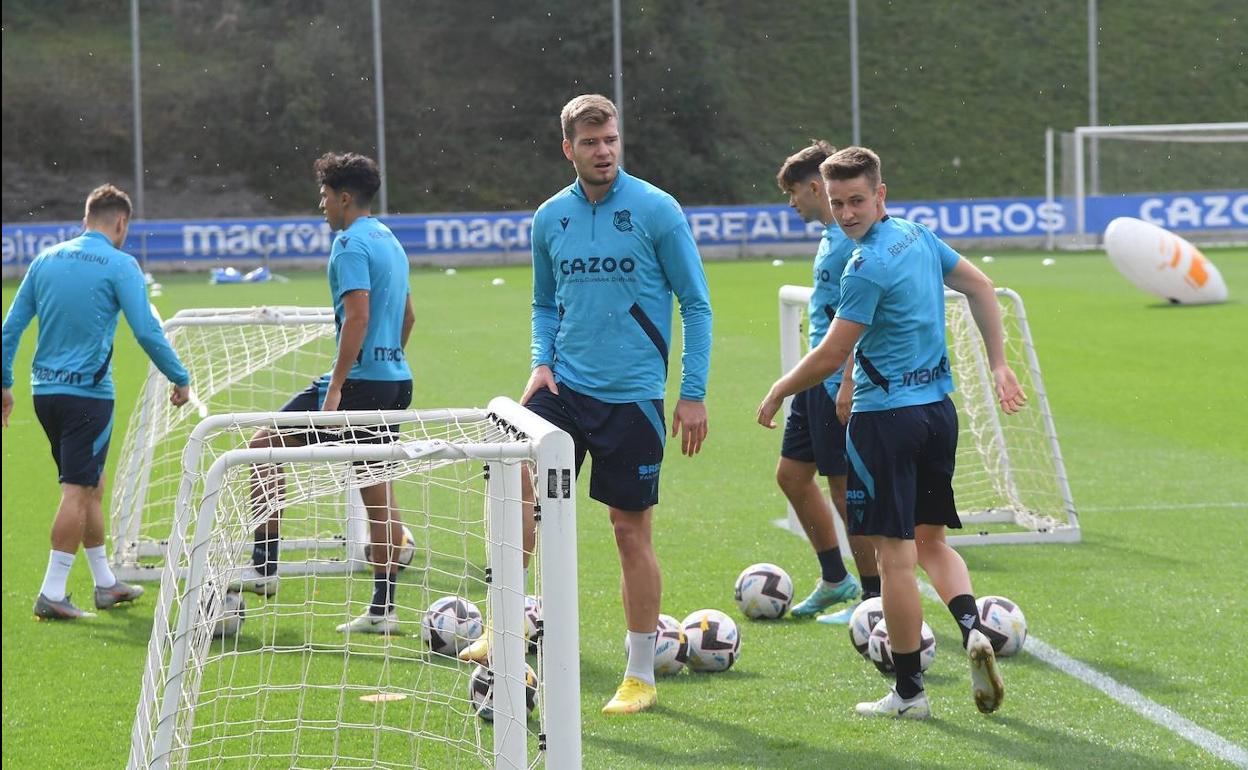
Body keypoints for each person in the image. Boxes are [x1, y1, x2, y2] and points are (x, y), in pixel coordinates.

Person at [462, 94, 712, 716]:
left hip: (634, 400)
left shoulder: (656, 209)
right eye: (591, 143)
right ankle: (505, 625)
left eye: (611, 141)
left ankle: (637, 673)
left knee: (629, 530)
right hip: (563, 389)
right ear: (568, 148)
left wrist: (694, 392)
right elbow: (544, 302)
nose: (603, 152)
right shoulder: (551, 217)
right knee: (517, 487)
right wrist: (540, 360)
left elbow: (696, 304)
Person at [757, 146, 1025, 719]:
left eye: (857, 200)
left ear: (880, 195)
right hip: (937, 413)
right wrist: (998, 362)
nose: (847, 213)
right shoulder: (917, 236)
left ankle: (909, 694)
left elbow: (831, 354)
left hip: (885, 423)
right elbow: (981, 286)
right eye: (838, 203)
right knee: (934, 543)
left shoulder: (863, 266)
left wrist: (780, 388)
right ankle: (973, 627)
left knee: (896, 559)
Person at [233, 152, 416, 635]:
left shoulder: (350, 244)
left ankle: (265, 566)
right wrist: (386, 362)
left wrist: (337, 386)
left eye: (324, 195)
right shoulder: (389, 240)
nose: (321, 205)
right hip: (396, 379)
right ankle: (383, 608)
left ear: (345, 197)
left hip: (356, 384)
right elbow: (408, 317)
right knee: (376, 486)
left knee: (263, 446)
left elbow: (357, 315)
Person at [2, 184, 191, 620]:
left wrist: (4, 383)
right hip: (88, 396)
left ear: (85, 218)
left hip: (44, 393)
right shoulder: (121, 264)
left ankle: (105, 582)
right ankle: (52, 592)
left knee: (91, 484)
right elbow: (145, 330)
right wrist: (179, 376)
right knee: (77, 488)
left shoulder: (46, 259)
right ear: (121, 222)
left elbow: (11, 327)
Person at [772, 141, 879, 624]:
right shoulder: (829, 237)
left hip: (840, 382)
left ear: (814, 187)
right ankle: (836, 579)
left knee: (845, 491)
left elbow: (861, 318)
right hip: (818, 379)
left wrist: (850, 381)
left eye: (793, 192)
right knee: (791, 477)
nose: (791, 203)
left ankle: (873, 600)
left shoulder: (851, 243)